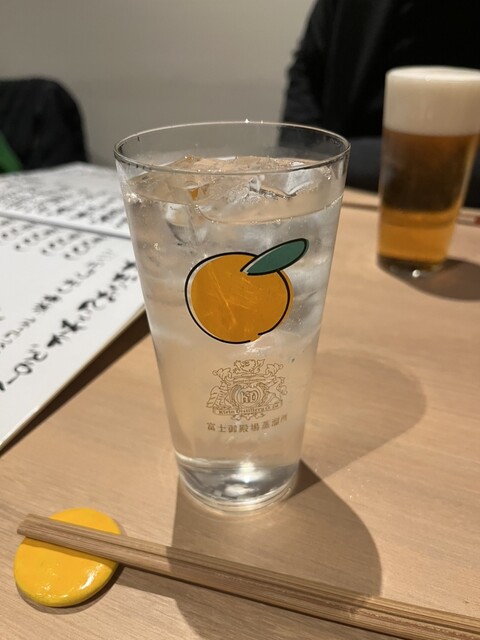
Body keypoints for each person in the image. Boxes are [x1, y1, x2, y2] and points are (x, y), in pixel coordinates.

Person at [281, 0, 480, 206]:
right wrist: (299, 163)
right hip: (332, 189)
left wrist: (326, 163)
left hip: (449, 199)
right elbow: (308, 70)